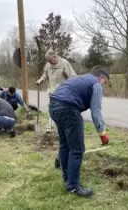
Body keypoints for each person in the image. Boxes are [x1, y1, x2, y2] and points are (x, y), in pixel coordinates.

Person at [49, 65, 110, 197]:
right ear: (102, 78)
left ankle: (67, 179)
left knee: (65, 145)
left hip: (53, 105)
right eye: (105, 82)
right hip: (68, 109)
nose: (104, 86)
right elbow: (96, 111)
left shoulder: (81, 78)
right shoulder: (96, 84)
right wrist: (102, 133)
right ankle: (73, 186)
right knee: (77, 149)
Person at [36, 49, 77, 133]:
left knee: (62, 111)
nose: (50, 63)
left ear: (55, 56)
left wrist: (71, 90)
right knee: (52, 109)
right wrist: (40, 80)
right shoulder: (48, 65)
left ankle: (65, 128)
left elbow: (73, 78)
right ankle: (50, 128)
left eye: (51, 61)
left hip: (63, 93)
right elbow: (45, 75)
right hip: (52, 92)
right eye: (49, 62)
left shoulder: (64, 63)